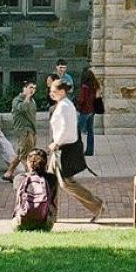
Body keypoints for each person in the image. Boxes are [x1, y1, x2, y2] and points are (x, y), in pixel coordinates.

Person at [48, 79, 106, 222]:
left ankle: (96, 205)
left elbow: (65, 128)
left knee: (66, 183)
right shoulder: (64, 105)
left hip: (63, 149)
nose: (51, 94)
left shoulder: (64, 106)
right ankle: (49, 213)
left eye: (54, 91)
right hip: (61, 149)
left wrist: (56, 143)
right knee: (50, 182)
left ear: (62, 92)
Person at [12, 149, 59, 231]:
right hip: (45, 225)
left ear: (27, 162)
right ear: (46, 163)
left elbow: (18, 202)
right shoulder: (52, 178)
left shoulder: (19, 178)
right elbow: (54, 203)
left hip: (21, 223)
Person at [4, 81, 39, 181]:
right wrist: (27, 97)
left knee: (21, 153)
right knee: (26, 156)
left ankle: (9, 173)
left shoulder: (32, 101)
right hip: (24, 131)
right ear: (24, 88)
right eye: (30, 87)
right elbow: (23, 109)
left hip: (31, 130)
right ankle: (31, 176)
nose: (33, 90)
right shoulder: (17, 100)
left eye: (34, 88)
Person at [77, 68, 101, 157]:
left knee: (77, 131)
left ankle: (77, 150)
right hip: (92, 111)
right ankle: (90, 150)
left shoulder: (84, 87)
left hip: (85, 111)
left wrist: (77, 106)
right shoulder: (95, 86)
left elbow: (81, 100)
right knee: (90, 131)